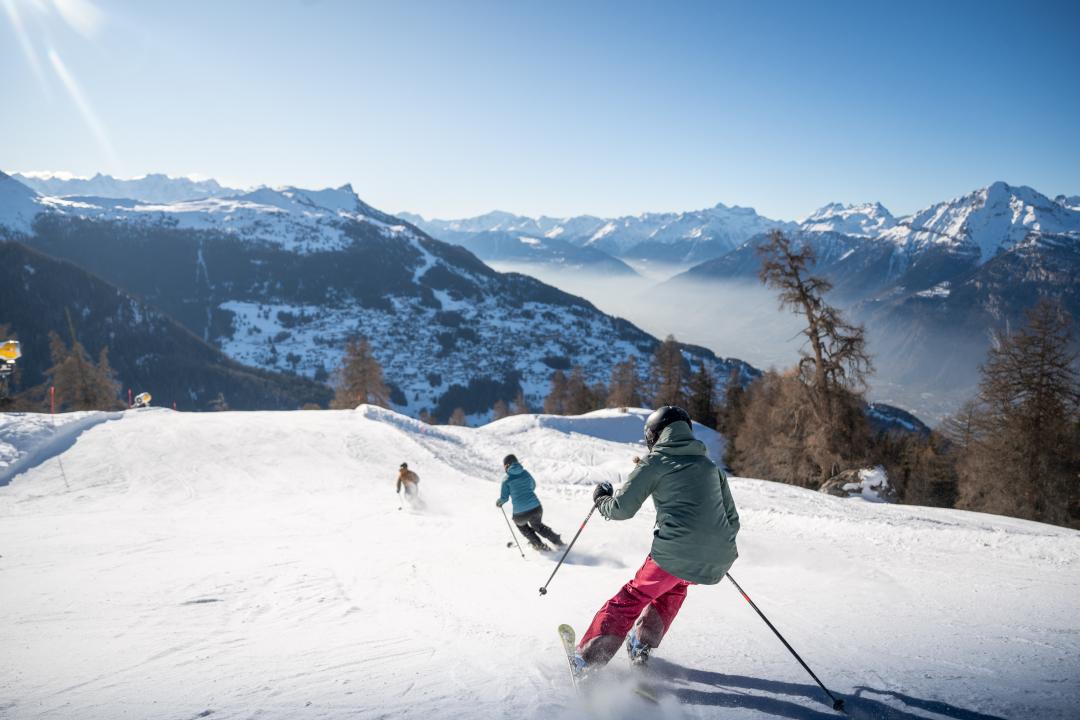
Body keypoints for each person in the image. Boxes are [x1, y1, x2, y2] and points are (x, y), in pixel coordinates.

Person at [574, 406, 740, 674]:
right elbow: (732, 519)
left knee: (634, 595)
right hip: (718, 557)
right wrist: (712, 546)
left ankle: (588, 660)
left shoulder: (656, 462)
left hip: (676, 552)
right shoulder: (710, 467)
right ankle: (641, 644)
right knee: (674, 587)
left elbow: (621, 509)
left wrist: (602, 500)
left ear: (656, 435)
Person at [496, 454, 565, 552]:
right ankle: (558, 542)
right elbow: (533, 485)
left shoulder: (506, 479)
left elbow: (504, 498)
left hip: (520, 513)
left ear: (507, 465)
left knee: (521, 526)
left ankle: (538, 544)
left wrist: (499, 502)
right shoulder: (525, 473)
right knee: (538, 526)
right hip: (536, 507)